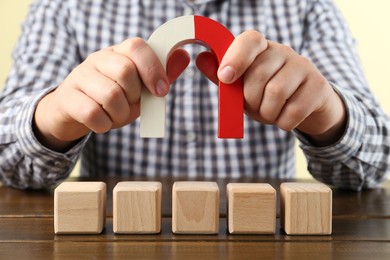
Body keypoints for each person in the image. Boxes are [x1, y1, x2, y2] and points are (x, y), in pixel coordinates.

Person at [0, 0, 389, 190]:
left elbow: (373, 165)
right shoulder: (65, 6)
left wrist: (327, 115)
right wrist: (52, 118)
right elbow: (8, 159)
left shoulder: (306, 6)